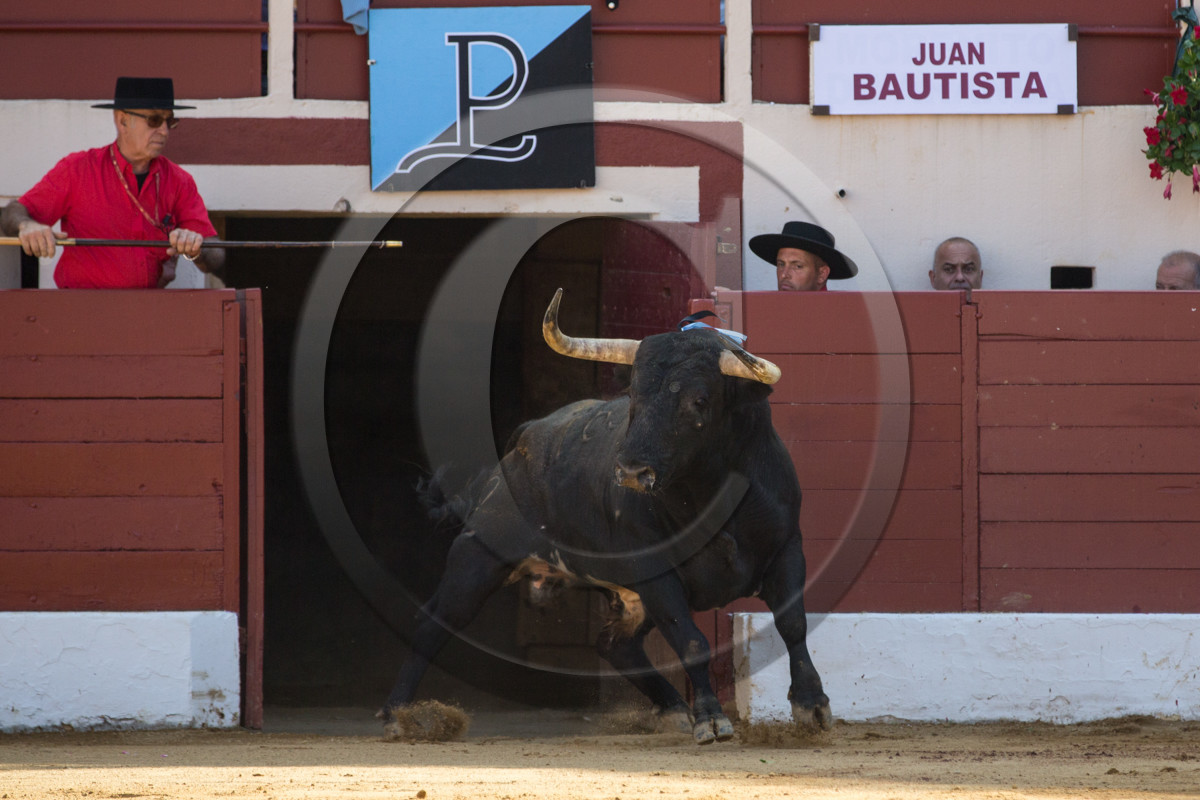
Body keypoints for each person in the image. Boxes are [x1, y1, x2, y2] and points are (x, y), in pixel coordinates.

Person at [1, 77, 224, 288]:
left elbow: (216, 255)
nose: (164, 130)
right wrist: (27, 226)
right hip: (82, 308)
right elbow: (12, 214)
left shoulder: (178, 181)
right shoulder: (77, 169)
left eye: (170, 121)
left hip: (147, 309)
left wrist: (195, 247)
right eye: (154, 120)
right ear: (122, 120)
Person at [749, 221, 858, 292]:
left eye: (798, 266)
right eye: (781, 264)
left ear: (822, 274)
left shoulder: (838, 316)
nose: (784, 274)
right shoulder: (767, 312)